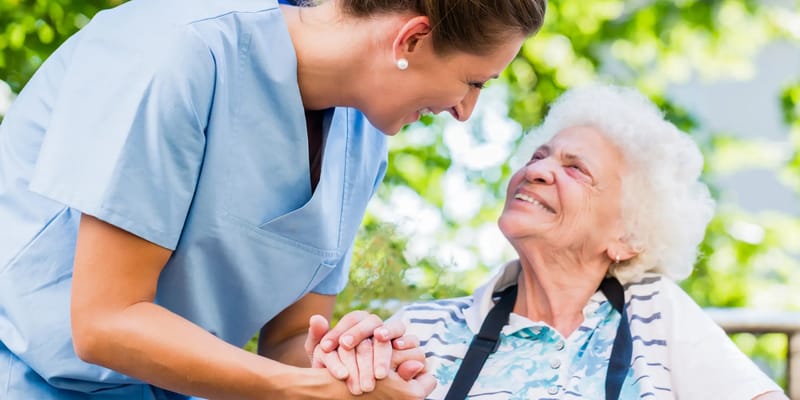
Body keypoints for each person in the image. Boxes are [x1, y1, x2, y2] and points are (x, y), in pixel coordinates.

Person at [0, 0, 547, 399]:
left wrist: (351, 370)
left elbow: (286, 339)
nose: (465, 110)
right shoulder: (176, 50)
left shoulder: (362, 143)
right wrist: (301, 390)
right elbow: (104, 323)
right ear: (410, 39)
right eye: (474, 82)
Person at [359, 85, 787, 399]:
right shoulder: (422, 330)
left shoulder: (654, 312)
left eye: (576, 169)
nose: (538, 171)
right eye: (538, 156)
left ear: (627, 237)